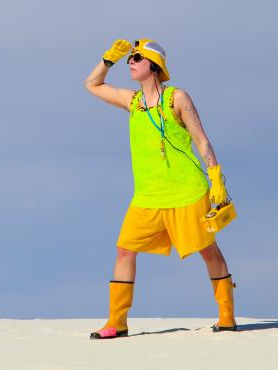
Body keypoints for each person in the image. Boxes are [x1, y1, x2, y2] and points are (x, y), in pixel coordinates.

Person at [84, 39, 237, 339]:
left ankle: (227, 316)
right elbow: (92, 84)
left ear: (154, 65)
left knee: (208, 250)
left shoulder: (177, 98)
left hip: (187, 191)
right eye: (129, 58)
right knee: (125, 250)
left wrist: (216, 179)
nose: (131, 61)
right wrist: (107, 60)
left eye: (137, 58)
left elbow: (202, 140)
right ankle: (117, 322)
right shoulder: (133, 102)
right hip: (147, 196)